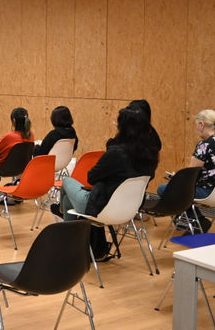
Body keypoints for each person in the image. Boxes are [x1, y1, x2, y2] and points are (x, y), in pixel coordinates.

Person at [57, 107, 159, 258]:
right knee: (67, 200)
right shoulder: (151, 153)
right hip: (129, 209)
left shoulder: (116, 152)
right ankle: (70, 242)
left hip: (101, 206)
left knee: (66, 182)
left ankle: (67, 237)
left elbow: (91, 178)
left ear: (123, 128)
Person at [157, 109, 215, 232]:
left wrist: (176, 178)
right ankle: (192, 221)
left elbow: (189, 177)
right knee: (177, 188)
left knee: (164, 189)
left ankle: (198, 221)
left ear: (201, 124)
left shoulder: (205, 145)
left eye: (196, 125)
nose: (195, 129)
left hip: (209, 192)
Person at [0, 107, 35, 186]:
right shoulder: (31, 135)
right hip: (22, 168)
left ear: (14, 121)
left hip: (3, 169)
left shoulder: (9, 137)